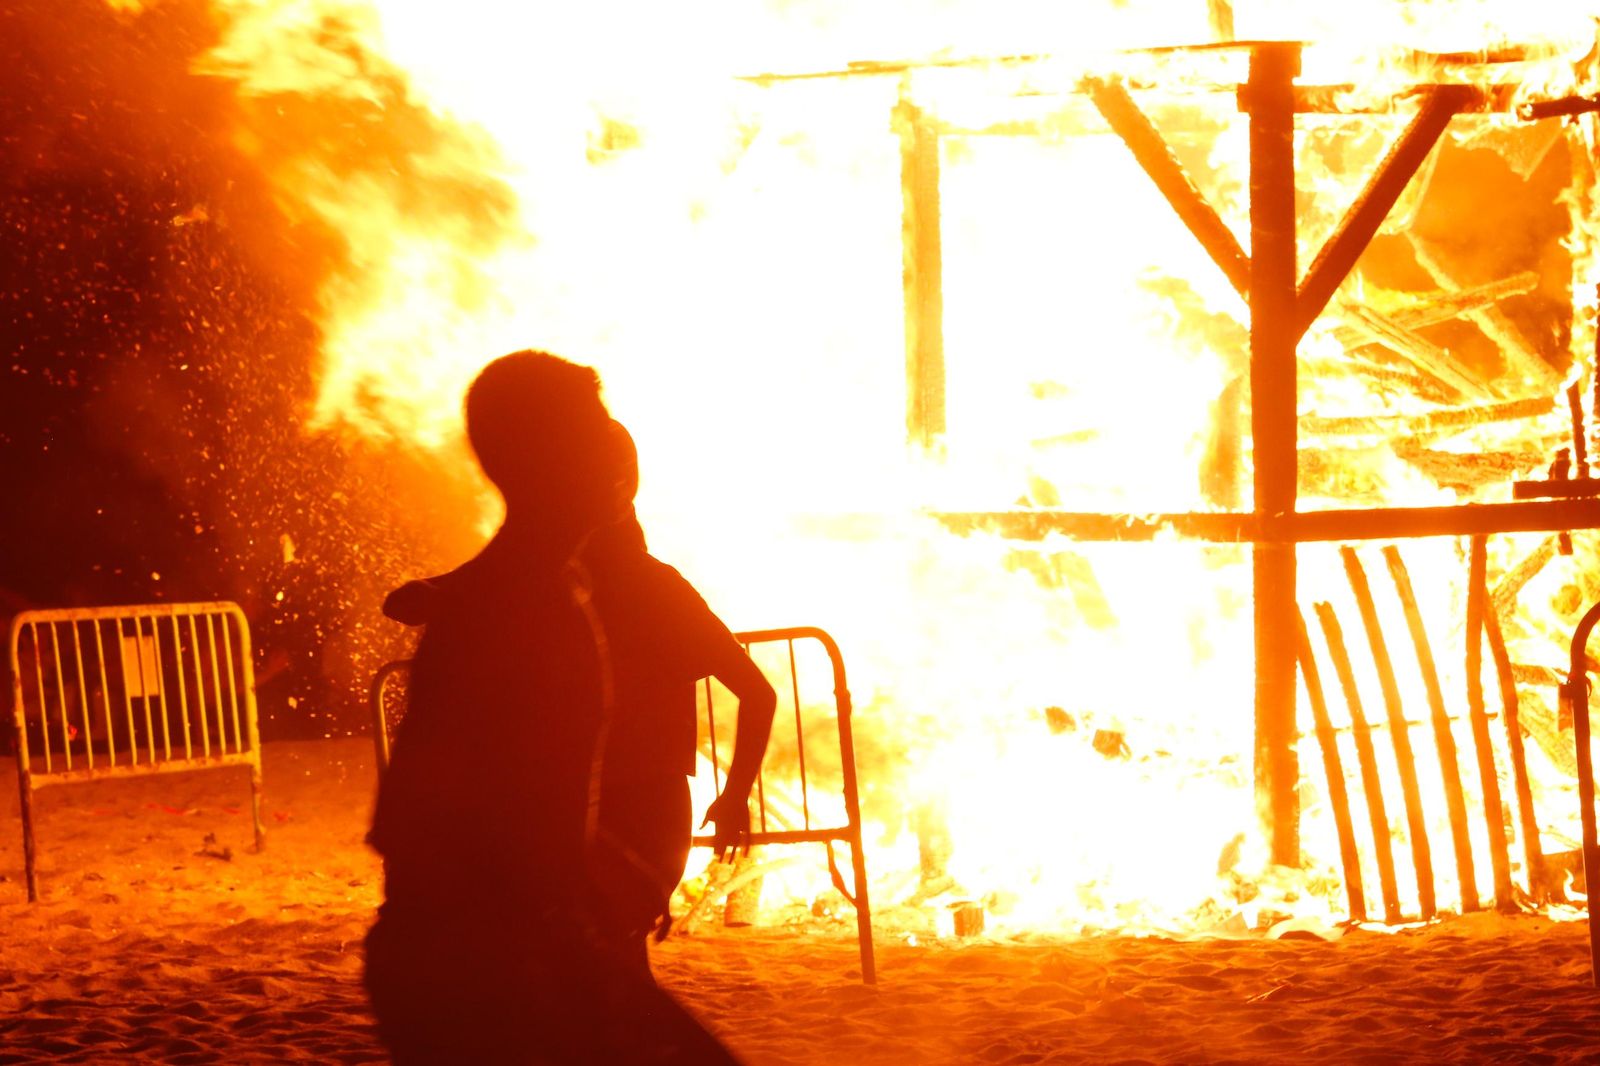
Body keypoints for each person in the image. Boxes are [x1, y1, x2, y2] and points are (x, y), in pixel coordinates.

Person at [365, 350, 751, 1064]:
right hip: (480, 964)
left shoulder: (543, 594)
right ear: (553, 463)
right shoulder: (518, 610)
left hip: (508, 947)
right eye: (596, 436)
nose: (617, 461)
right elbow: (429, 828)